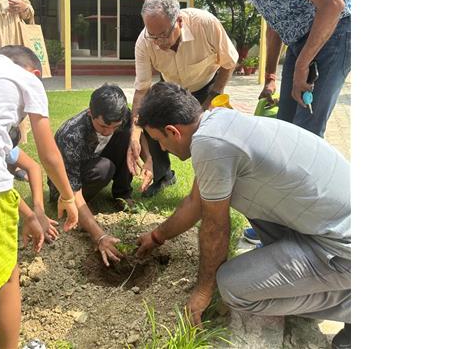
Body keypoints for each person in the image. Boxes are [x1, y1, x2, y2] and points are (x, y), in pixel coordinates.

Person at [135, 82, 351, 349]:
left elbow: (215, 227)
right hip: (333, 223)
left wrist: (204, 290)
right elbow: (195, 202)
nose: (163, 149)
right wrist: (156, 237)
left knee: (233, 289)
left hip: (342, 248)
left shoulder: (209, 145)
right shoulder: (217, 121)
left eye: (159, 141)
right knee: (251, 208)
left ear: (172, 131)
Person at [186, 0, 351, 246]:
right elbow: (275, 21)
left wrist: (303, 64)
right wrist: (272, 76)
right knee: (280, 139)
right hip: (301, 41)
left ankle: (315, 235)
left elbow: (333, 6)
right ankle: (282, 226)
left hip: (335, 34)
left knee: (304, 140)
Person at [0, 45, 79, 349]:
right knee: (7, 281)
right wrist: (67, 196)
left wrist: (33, 211)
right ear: (35, 72)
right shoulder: (26, 79)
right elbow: (47, 153)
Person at [126, 0, 239, 197]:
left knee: (207, 135)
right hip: (172, 87)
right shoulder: (144, 42)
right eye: (153, 36)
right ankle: (163, 176)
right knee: (151, 117)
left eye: (163, 35)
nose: (158, 42)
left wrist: (213, 97)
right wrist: (135, 132)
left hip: (207, 84)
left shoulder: (205, 23)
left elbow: (229, 61)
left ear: (178, 21)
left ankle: (212, 183)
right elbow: (142, 88)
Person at [50, 84, 151, 211]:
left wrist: (148, 160)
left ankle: (122, 195)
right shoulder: (72, 136)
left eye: (114, 127)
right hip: (64, 185)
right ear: (90, 113)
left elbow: (136, 133)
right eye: (102, 126)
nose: (108, 132)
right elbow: (70, 181)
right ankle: (81, 203)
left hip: (94, 158)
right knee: (104, 168)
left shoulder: (122, 116)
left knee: (127, 135)